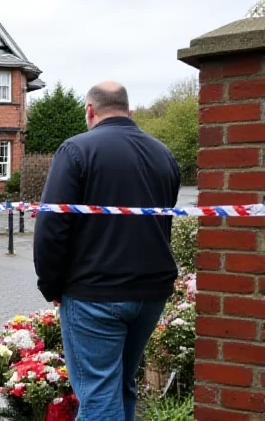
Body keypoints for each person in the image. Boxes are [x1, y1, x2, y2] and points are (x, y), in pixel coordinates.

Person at [33, 81, 180, 420]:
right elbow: (164, 220)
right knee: (122, 383)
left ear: (89, 111)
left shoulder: (75, 151)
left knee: (98, 394)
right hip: (151, 293)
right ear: (130, 111)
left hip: (94, 294)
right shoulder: (163, 154)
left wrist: (51, 285)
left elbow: (52, 227)